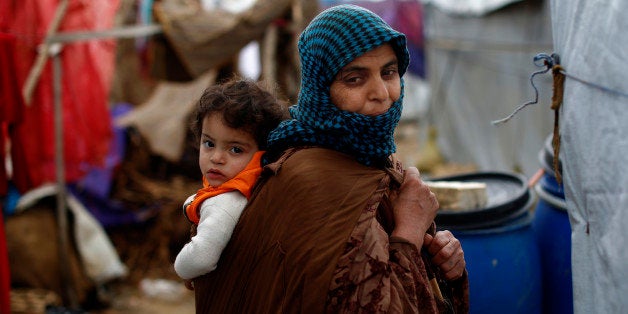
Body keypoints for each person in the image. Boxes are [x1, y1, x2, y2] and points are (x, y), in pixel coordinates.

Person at [192, 5, 469, 313]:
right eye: (354, 78)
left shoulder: (367, 156)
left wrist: (439, 262)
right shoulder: (317, 181)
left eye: (388, 72)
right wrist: (410, 233)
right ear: (321, 89)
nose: (381, 92)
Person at [173, 77, 288, 290]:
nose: (216, 157)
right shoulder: (249, 187)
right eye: (209, 143)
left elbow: (201, 257)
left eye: (235, 149)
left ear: (262, 154)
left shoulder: (227, 202)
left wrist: (181, 268)